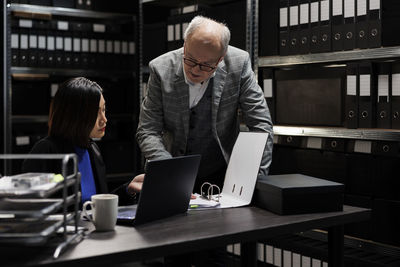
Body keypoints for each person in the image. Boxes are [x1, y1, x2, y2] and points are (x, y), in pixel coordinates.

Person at [129, 15, 273, 267]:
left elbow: (261, 124)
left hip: (219, 172)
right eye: (191, 60)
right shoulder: (160, 69)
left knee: (215, 252)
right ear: (184, 45)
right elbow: (148, 129)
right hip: (172, 167)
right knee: (175, 250)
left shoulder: (239, 64)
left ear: (221, 57)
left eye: (207, 65)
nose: (196, 70)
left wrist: (255, 178)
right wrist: (170, 174)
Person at [22, 77, 141, 205]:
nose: (104, 119)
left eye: (104, 109)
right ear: (75, 115)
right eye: (96, 113)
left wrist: (128, 190)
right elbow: (31, 206)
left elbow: (96, 204)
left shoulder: (92, 148)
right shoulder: (46, 150)